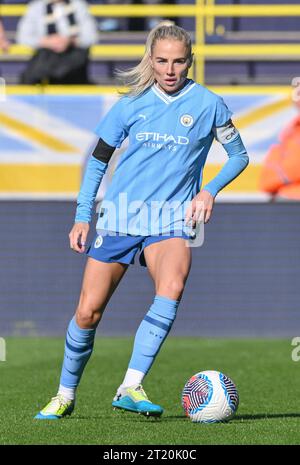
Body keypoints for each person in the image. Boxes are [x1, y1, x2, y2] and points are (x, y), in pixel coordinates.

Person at [35, 22, 249, 420]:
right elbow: (98, 161)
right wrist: (83, 216)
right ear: (151, 60)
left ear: (190, 62)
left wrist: (208, 190)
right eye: (163, 60)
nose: (170, 69)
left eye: (179, 61)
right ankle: (65, 394)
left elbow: (239, 155)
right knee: (88, 313)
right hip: (119, 218)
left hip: (169, 219)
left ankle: (130, 385)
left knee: (172, 286)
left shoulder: (209, 104)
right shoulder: (131, 103)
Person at [16, 0, 98, 84]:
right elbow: (23, 37)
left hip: (73, 58)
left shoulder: (79, 5)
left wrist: (69, 41)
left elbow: (91, 37)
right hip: (46, 57)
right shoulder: (36, 6)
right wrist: (48, 42)